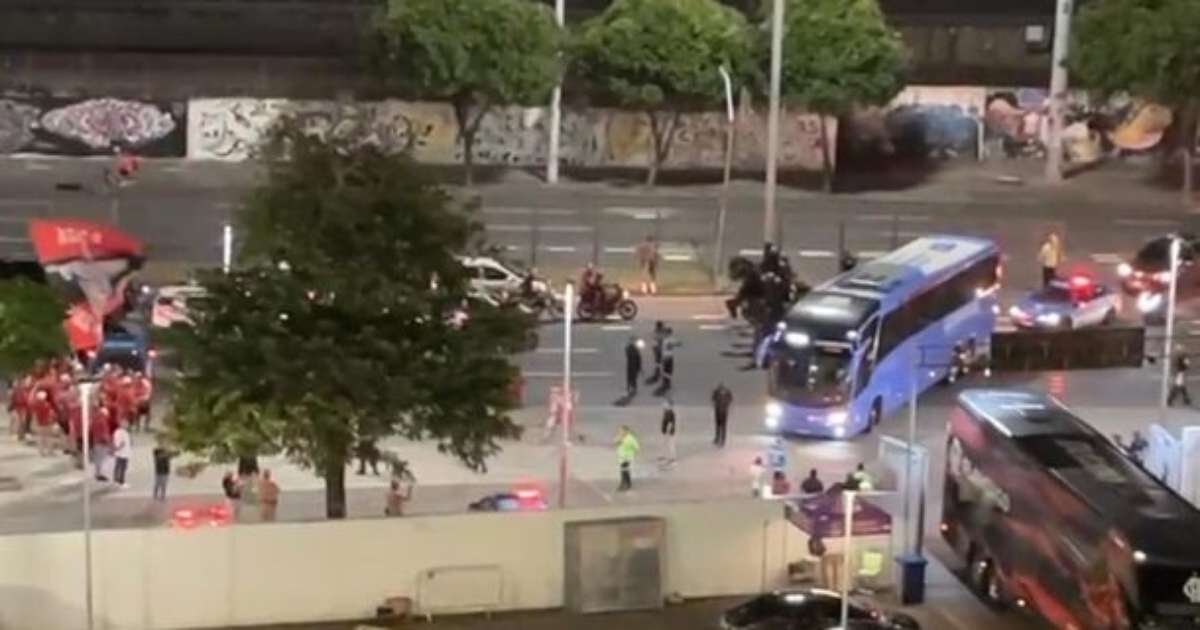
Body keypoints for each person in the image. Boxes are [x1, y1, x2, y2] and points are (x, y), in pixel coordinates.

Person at [615, 425, 640, 492]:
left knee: (623, 471)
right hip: (621, 457)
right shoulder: (620, 437)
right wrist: (619, 440)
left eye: (622, 431)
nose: (620, 432)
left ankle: (623, 484)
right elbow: (615, 443)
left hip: (627, 457)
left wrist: (634, 453)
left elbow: (636, 447)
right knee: (625, 471)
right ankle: (628, 483)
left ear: (626, 431)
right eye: (620, 431)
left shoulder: (631, 438)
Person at [654, 328, 677, 396]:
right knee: (668, 371)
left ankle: (666, 383)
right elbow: (676, 344)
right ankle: (666, 383)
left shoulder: (667, 339)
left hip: (666, 357)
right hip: (668, 358)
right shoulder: (668, 339)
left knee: (666, 371)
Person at [111, 420, 132, 489]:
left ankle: (116, 481)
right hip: (123, 453)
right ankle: (121, 482)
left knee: (117, 467)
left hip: (121, 453)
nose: (127, 425)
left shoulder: (117, 432)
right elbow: (122, 443)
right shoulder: (123, 433)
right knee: (122, 468)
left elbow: (114, 441)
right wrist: (117, 448)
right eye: (126, 424)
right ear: (122, 425)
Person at [711, 382, 732, 447]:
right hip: (723, 411)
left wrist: (717, 404)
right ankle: (721, 439)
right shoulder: (726, 392)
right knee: (722, 426)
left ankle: (719, 439)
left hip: (719, 410)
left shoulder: (717, 392)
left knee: (720, 426)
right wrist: (727, 405)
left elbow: (713, 398)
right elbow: (730, 399)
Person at [659, 400, 677, 465]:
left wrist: (668, 432)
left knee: (671, 445)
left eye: (665, 404)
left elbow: (670, 423)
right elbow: (665, 421)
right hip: (665, 431)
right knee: (663, 443)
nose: (663, 405)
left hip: (669, 432)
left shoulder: (670, 413)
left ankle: (673, 458)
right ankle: (664, 456)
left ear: (669, 406)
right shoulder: (666, 411)